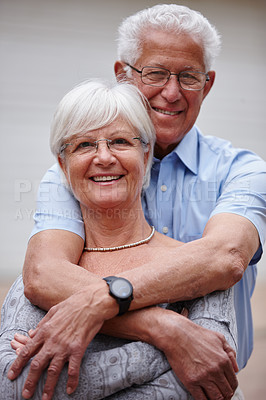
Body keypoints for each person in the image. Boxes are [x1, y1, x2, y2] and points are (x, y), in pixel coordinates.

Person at [7, 2, 266, 398]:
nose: (171, 92)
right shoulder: (77, 173)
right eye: (156, 73)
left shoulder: (243, 170)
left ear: (208, 84)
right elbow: (43, 275)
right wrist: (168, 330)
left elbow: (224, 258)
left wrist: (99, 300)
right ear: (122, 75)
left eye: (189, 76)